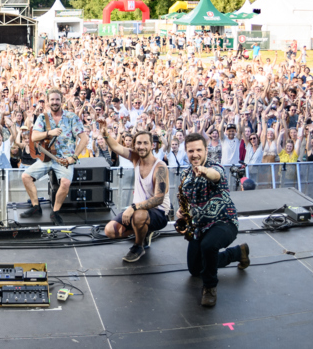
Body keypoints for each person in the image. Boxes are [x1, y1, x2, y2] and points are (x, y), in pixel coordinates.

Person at [178, 132, 250, 307]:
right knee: (195, 270)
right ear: (186, 152)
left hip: (224, 222)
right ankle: (238, 253)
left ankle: (210, 288)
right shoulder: (185, 176)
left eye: (198, 150)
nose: (194, 154)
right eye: (190, 151)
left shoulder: (215, 167)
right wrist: (182, 214)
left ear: (206, 150)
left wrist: (203, 171)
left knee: (208, 246)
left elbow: (215, 175)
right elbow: (185, 204)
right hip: (200, 227)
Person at [101, 128, 170, 262]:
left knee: (139, 215)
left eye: (145, 143)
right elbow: (115, 146)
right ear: (134, 145)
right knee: (110, 230)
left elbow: (158, 198)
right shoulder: (135, 158)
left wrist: (133, 207)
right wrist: (105, 135)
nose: (141, 146)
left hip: (159, 212)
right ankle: (143, 231)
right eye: (138, 143)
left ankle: (139, 246)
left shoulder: (160, 167)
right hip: (139, 210)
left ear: (152, 145)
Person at [21, 89, 87, 225]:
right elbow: (34, 136)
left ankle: (55, 212)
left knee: (65, 183)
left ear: (61, 101)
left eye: (57, 99)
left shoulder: (71, 117)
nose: (55, 102)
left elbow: (84, 139)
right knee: (25, 176)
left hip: (65, 159)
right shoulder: (43, 117)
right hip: (47, 158)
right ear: (48, 101)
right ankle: (35, 207)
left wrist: (74, 157)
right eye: (52, 99)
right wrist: (49, 132)